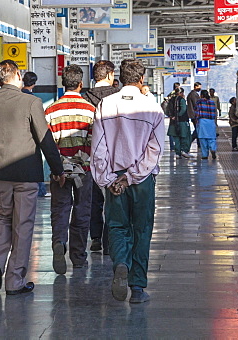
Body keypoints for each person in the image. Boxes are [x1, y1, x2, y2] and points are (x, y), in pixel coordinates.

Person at [0, 60, 65, 295]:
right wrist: (57, 170)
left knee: (3, 217)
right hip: (25, 172)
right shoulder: (31, 102)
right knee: (23, 224)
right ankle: (15, 280)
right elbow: (44, 139)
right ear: (17, 75)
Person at [90, 59, 165, 304]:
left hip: (114, 180)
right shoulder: (152, 108)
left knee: (117, 227)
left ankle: (121, 263)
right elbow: (155, 150)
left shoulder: (105, 104)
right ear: (141, 80)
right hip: (142, 182)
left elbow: (98, 148)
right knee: (141, 230)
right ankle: (138, 288)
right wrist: (131, 176)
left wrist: (110, 179)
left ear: (119, 78)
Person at [45, 64, 96, 274]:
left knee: (60, 209)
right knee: (82, 211)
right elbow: (94, 142)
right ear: (81, 84)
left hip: (60, 172)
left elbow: (47, 144)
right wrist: (80, 162)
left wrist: (61, 167)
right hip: (84, 170)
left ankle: (59, 242)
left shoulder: (50, 111)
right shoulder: (91, 110)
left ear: (62, 83)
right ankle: (78, 256)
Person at [80, 60, 120, 254]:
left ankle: (95, 237)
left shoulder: (84, 98)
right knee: (113, 197)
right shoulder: (117, 97)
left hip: (89, 156)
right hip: (114, 157)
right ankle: (109, 239)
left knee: (94, 199)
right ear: (111, 75)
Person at [21, 71, 48, 197]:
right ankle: (40, 191)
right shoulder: (35, 100)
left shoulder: (17, 97)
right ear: (34, 84)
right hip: (32, 140)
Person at [195, 91, 218, 160]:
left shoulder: (199, 102)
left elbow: (196, 112)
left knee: (203, 139)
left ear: (201, 95)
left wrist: (196, 120)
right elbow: (215, 112)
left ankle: (205, 155)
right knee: (212, 138)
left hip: (202, 121)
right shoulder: (212, 102)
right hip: (211, 121)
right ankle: (213, 148)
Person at [169, 87, 192, 158]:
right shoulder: (182, 100)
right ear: (181, 93)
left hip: (173, 122)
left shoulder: (171, 100)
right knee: (185, 136)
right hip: (182, 121)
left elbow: (167, 109)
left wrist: (172, 116)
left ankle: (177, 153)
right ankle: (184, 151)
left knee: (176, 138)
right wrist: (178, 116)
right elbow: (183, 109)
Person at [186, 82, 202, 148]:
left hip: (193, 114)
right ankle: (189, 141)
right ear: (195, 87)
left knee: (198, 129)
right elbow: (196, 105)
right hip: (195, 115)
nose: (200, 88)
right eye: (199, 87)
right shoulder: (193, 95)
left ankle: (199, 144)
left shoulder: (192, 94)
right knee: (197, 129)